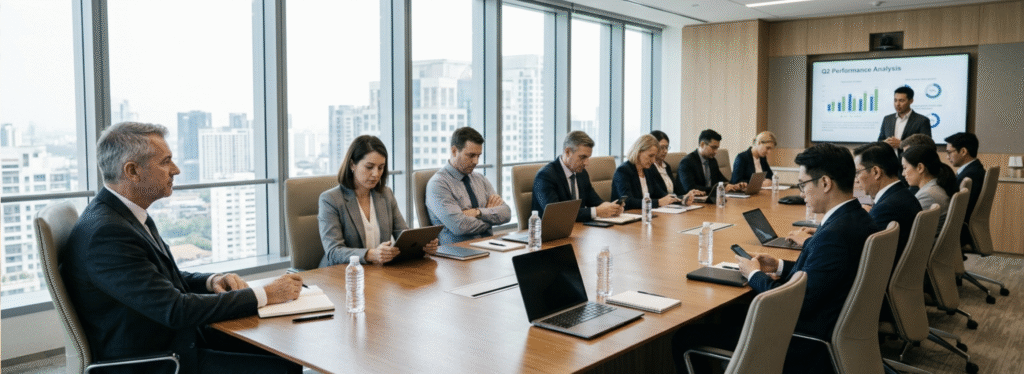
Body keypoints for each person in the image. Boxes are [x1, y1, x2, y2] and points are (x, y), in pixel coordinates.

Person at [62, 122, 302, 374]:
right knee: (281, 368)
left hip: (175, 340)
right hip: (160, 360)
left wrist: (211, 281)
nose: (175, 170)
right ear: (132, 171)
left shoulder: (123, 215)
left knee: (285, 351)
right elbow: (176, 310)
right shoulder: (107, 234)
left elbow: (157, 280)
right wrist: (264, 295)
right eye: (165, 162)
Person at [735, 143, 879, 373]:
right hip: (833, 321)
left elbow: (792, 305)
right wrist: (780, 266)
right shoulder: (858, 217)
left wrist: (754, 274)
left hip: (802, 339)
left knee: (688, 337)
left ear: (825, 183)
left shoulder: (834, 236)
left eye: (803, 185)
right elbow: (825, 273)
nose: (801, 193)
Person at [319, 135, 438, 266]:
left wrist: (421, 246)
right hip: (342, 275)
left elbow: (403, 235)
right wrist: (371, 254)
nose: (376, 174)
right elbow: (334, 251)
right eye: (369, 167)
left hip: (377, 272)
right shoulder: (331, 199)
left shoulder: (386, 194)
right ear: (352, 164)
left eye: (380, 168)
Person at [426, 127, 511, 245]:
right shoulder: (438, 184)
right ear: (454, 151)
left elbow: (506, 213)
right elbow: (460, 226)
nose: (476, 161)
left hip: (488, 245)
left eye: (478, 156)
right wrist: (491, 217)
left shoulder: (480, 179)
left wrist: (478, 212)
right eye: (471, 155)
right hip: (459, 253)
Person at [853, 142, 921, 268]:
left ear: (876, 172)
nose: (856, 179)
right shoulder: (902, 194)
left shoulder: (888, 208)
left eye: (857, 172)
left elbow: (857, 249)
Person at [532, 131, 623, 221]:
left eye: (588, 157)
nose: (587, 163)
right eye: (582, 157)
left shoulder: (581, 173)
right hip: (549, 232)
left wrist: (611, 208)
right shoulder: (545, 176)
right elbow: (556, 213)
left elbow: (595, 201)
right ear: (567, 152)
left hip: (578, 229)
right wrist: (596, 211)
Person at [612, 134, 693, 210]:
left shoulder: (648, 170)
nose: (653, 160)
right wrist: (658, 202)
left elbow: (661, 194)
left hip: (645, 214)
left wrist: (682, 199)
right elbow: (627, 201)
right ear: (639, 152)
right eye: (651, 156)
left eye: (655, 156)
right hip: (627, 216)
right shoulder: (623, 171)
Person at [901, 145, 958, 230]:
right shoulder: (936, 186)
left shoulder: (927, 195)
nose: (903, 173)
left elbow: (906, 228)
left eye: (905, 168)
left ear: (920, 168)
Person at [945, 132, 985, 246]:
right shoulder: (974, 170)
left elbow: (959, 207)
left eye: (949, 152)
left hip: (959, 230)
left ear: (963, 151)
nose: (947, 157)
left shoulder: (970, 176)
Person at [677, 129, 745, 195]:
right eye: (713, 147)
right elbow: (691, 188)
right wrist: (720, 188)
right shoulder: (687, 162)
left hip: (709, 199)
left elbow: (722, 181)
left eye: (717, 148)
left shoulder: (712, 161)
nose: (716, 151)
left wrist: (735, 186)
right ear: (702, 144)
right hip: (690, 202)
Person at [649, 130, 684, 196]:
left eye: (667, 147)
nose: (665, 151)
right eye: (662, 147)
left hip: (672, 203)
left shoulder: (666, 166)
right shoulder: (649, 167)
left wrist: (688, 194)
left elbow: (677, 190)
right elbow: (655, 193)